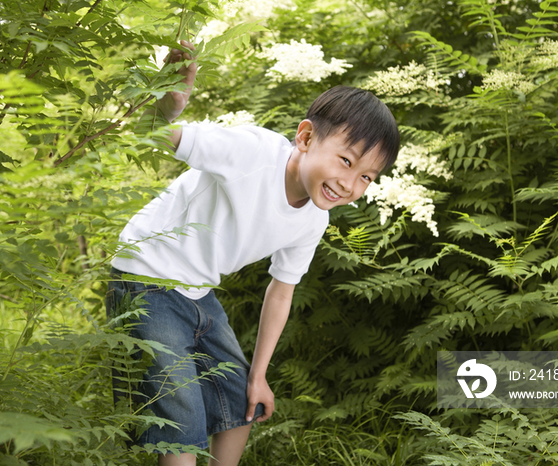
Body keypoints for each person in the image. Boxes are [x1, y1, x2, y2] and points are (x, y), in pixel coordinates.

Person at [106, 40, 400, 466]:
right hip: (146, 277)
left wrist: (258, 375)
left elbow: (281, 292)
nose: (351, 184)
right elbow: (152, 131)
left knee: (241, 397)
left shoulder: (313, 218)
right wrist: (167, 106)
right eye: (346, 161)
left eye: (368, 176)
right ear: (305, 137)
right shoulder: (251, 153)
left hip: (197, 291)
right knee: (180, 416)